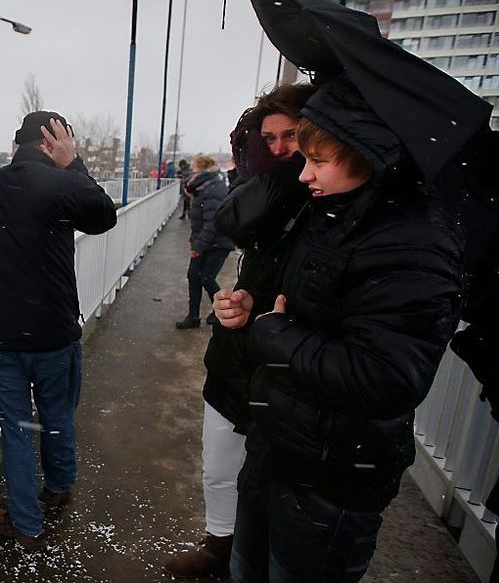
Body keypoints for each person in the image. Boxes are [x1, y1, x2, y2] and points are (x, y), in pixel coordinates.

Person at [221, 77, 462, 582]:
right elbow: (306, 307)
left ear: (368, 155)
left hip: (329, 479)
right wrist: (253, 307)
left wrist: (272, 335)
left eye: (318, 161)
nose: (303, 174)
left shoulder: (412, 245)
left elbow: (386, 378)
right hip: (278, 450)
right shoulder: (328, 215)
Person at [163, 82, 316, 577]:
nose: (278, 149)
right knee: (220, 464)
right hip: (241, 351)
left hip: (293, 365)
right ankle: (220, 544)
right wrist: (241, 300)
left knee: (271, 481)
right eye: (268, 139)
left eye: (292, 136)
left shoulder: (328, 202)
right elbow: (243, 234)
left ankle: (241, 551)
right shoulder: (271, 194)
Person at [0, 110, 117, 551]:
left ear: (15, 143)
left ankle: (26, 525)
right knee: (57, 417)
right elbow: (103, 216)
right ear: (52, 141)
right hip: (54, 334)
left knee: (17, 429)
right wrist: (73, 164)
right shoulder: (60, 184)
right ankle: (59, 489)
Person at [175, 155, 234, 330]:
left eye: (195, 168)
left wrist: (198, 246)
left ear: (202, 169)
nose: (193, 171)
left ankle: (222, 311)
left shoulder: (213, 189)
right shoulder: (205, 186)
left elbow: (212, 223)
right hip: (207, 240)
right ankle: (193, 317)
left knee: (206, 278)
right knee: (194, 276)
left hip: (219, 242)